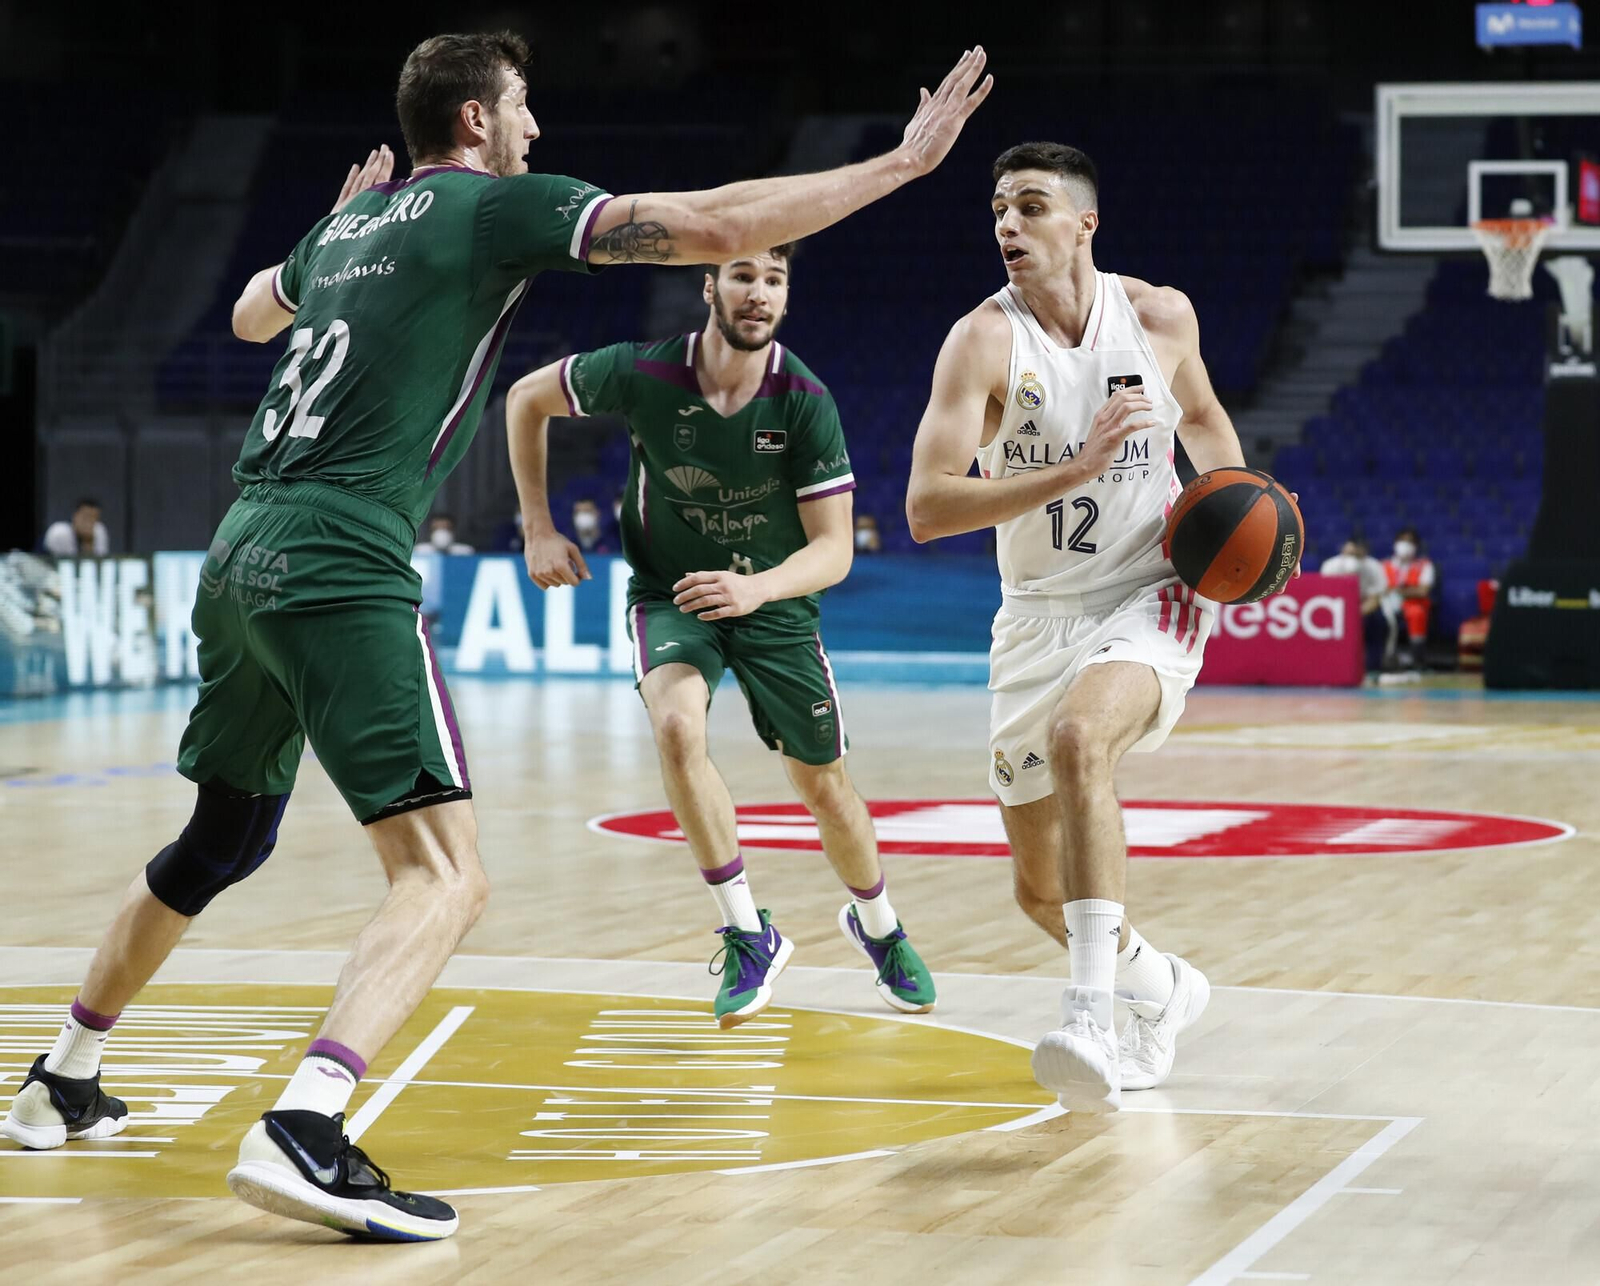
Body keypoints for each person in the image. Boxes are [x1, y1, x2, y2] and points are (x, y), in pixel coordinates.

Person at [0, 31, 992, 1240]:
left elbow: (255, 318)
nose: (536, 130)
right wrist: (899, 166)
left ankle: (59, 1076)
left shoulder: (350, 227)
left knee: (221, 833)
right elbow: (720, 223)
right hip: (337, 551)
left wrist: (325, 236)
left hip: (237, 547)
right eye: (522, 107)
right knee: (445, 874)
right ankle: (307, 1124)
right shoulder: (489, 207)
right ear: (473, 121)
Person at [505, 244, 936, 1028]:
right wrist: (537, 524)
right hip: (672, 592)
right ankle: (747, 930)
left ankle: (880, 929)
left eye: (775, 280)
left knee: (824, 789)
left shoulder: (805, 400)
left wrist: (756, 588)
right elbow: (525, 399)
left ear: (786, 298)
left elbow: (834, 550)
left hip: (772, 604)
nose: (759, 293)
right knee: (676, 728)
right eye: (743, 275)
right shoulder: (640, 371)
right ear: (710, 287)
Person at [905, 141, 1243, 1114]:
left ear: (1083, 223)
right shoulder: (981, 342)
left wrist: (1244, 513)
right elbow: (928, 507)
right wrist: (1077, 467)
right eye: (999, 208)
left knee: (1080, 735)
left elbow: (1208, 424)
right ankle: (1160, 986)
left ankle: (1090, 1011)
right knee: (1036, 892)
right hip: (1037, 613)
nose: (1008, 224)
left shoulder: (1158, 316)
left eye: (1031, 206)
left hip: (1151, 589)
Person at [1320, 536, 1391, 671]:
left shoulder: (1374, 567)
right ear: (1342, 551)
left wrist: (1356, 614)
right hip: (1335, 607)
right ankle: (1332, 666)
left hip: (1365, 608)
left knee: (1376, 622)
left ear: (1364, 554)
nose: (1352, 559)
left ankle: (1373, 667)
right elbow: (1325, 596)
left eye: (1356, 555)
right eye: (1349, 554)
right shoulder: (1330, 566)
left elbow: (1375, 599)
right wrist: (1343, 613)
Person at [1382, 526, 1434, 670]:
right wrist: (1407, 590)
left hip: (1413, 604)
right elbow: (1380, 589)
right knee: (1381, 616)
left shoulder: (1424, 565)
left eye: (1409, 541)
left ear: (1416, 546)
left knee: (1416, 613)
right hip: (1388, 604)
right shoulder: (1385, 565)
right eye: (1402, 541)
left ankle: (1417, 658)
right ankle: (1384, 658)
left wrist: (1397, 591)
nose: (1405, 545)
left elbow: (1423, 591)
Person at [41, 498, 110, 558]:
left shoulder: (99, 531)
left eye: (94, 518)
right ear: (75, 516)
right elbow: (58, 564)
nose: (88, 522)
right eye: (85, 517)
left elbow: (96, 565)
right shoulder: (59, 532)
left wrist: (89, 543)